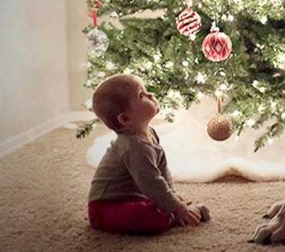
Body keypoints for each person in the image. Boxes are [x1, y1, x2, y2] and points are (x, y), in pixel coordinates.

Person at [87, 74, 210, 234]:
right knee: (152, 217)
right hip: (106, 208)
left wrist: (173, 196)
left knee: (162, 201)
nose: (150, 95)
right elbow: (151, 182)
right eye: (142, 95)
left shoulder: (150, 133)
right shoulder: (134, 146)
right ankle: (176, 216)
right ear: (125, 118)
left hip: (135, 197)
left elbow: (161, 169)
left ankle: (173, 210)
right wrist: (178, 208)